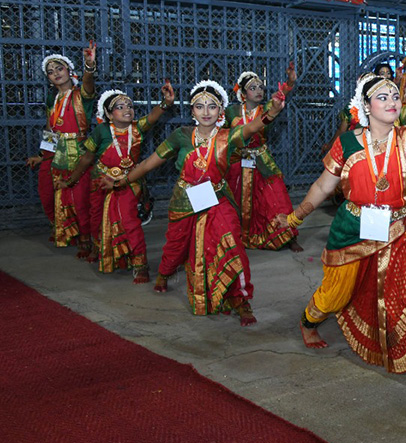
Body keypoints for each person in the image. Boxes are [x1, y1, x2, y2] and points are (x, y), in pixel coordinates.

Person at [278, 59, 406, 391]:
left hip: (402, 226)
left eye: (393, 97)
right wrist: (295, 216)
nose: (391, 102)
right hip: (354, 228)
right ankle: (308, 322)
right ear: (365, 106)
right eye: (382, 97)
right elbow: (322, 187)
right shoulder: (347, 144)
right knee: (334, 294)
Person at [106, 80, 287, 324]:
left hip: (218, 199)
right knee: (176, 246)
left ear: (220, 111)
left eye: (211, 107)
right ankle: (165, 273)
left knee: (232, 244)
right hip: (185, 200)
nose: (205, 112)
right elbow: (149, 163)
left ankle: (240, 299)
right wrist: (122, 182)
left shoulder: (227, 137)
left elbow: (251, 128)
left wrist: (272, 112)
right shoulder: (181, 136)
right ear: (191, 111)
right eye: (199, 106)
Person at [61, 83, 175, 281]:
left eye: (129, 105)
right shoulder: (102, 131)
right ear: (109, 114)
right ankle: (101, 251)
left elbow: (154, 116)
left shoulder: (137, 127)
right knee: (97, 218)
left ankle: (140, 264)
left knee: (129, 221)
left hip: (129, 181)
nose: (127, 109)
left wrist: (166, 102)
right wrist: (72, 179)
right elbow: (87, 158)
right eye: (120, 107)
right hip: (101, 181)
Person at [27, 43, 98, 256]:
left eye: (59, 69)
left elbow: (89, 85)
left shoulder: (80, 95)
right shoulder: (52, 99)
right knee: (56, 196)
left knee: (81, 198)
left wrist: (89, 66)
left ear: (69, 70)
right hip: (58, 154)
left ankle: (87, 238)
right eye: (50, 72)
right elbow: (51, 128)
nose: (55, 74)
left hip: (79, 152)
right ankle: (67, 231)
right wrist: (42, 155)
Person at [226, 64, 302, 251]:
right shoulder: (231, 112)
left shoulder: (266, 108)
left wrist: (290, 81)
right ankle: (239, 236)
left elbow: (280, 96)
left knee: (276, 197)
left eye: (261, 87)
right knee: (238, 202)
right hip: (238, 162)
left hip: (262, 160)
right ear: (243, 93)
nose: (259, 91)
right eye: (253, 88)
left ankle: (288, 236)